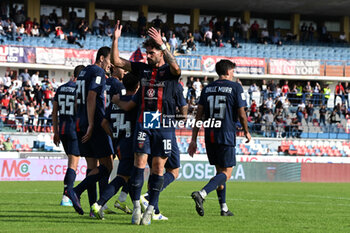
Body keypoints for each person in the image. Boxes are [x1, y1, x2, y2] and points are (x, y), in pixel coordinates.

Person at [110, 20, 181, 225]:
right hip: (146, 122)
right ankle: (136, 208)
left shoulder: (169, 72)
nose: (148, 56)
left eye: (152, 53)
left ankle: (150, 208)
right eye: (147, 53)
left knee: (159, 168)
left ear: (160, 53)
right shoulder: (141, 69)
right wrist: (115, 40)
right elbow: (117, 61)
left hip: (164, 124)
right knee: (139, 165)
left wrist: (164, 45)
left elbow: (176, 68)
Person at [188, 60, 251, 217]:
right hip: (226, 133)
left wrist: (193, 139)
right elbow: (242, 113)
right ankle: (202, 194)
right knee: (227, 174)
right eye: (233, 71)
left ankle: (223, 208)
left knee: (219, 173)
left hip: (210, 134)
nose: (234, 73)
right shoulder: (235, 87)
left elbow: (199, 115)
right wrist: (246, 131)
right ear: (229, 71)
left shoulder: (207, 88)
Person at [68, 47, 114, 216]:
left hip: (80, 122)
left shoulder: (83, 73)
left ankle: (93, 209)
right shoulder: (97, 71)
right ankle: (76, 191)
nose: (110, 64)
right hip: (92, 124)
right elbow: (91, 97)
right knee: (107, 166)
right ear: (101, 58)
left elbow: (77, 99)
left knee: (91, 166)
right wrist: (91, 124)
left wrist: (80, 121)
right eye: (109, 60)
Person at [91, 72, 139, 219]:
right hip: (131, 143)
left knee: (131, 176)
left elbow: (104, 123)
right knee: (122, 177)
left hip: (119, 142)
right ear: (137, 86)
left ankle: (129, 203)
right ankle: (99, 204)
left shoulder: (115, 101)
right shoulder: (134, 101)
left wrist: (114, 136)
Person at [52, 65, 85, 207]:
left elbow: (54, 111)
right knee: (73, 163)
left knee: (70, 162)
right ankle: (67, 195)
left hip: (63, 130)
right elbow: (79, 110)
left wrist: (55, 131)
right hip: (73, 129)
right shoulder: (79, 90)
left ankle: (68, 193)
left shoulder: (60, 88)